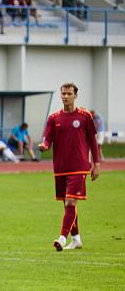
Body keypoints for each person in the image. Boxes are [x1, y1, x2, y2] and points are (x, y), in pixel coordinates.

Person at [39, 83, 100, 251]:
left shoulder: (84, 116)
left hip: (79, 167)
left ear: (75, 96)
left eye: (69, 93)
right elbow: (47, 138)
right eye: (63, 93)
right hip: (60, 167)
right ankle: (76, 238)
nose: (65, 96)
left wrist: (96, 164)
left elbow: (93, 141)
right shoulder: (53, 118)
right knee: (67, 203)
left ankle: (62, 238)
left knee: (71, 202)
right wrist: (44, 145)